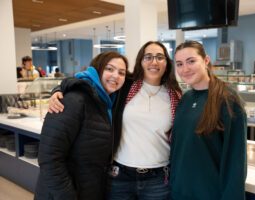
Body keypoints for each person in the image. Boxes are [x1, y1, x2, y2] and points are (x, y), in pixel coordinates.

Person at [48, 41, 182, 200]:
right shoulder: (126, 86)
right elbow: (88, 83)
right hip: (120, 175)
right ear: (140, 61)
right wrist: (59, 89)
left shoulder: (175, 95)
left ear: (167, 62)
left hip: (158, 178)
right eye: (148, 57)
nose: (154, 62)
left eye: (160, 57)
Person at [34, 51, 128, 200]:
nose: (116, 76)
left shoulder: (109, 101)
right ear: (97, 70)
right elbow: (49, 158)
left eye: (121, 72)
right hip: (62, 194)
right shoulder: (73, 100)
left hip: (89, 189)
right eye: (109, 69)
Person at [170, 41, 247, 200]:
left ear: (206, 61)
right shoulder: (185, 98)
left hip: (209, 193)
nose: (185, 69)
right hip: (179, 191)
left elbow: (236, 161)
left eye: (191, 61)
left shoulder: (227, 99)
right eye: (179, 64)